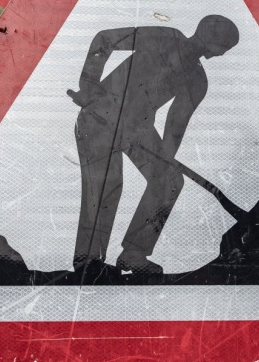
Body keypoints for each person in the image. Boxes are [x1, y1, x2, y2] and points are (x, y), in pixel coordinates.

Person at [68, 15, 239, 275]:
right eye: (221, 47)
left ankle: (134, 254)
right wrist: (88, 84)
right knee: (107, 183)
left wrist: (165, 161)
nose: (221, 55)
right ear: (206, 35)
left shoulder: (197, 81)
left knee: (170, 181)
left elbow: (175, 127)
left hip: (137, 129)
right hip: (99, 116)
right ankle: (88, 261)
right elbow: (105, 39)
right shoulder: (165, 37)